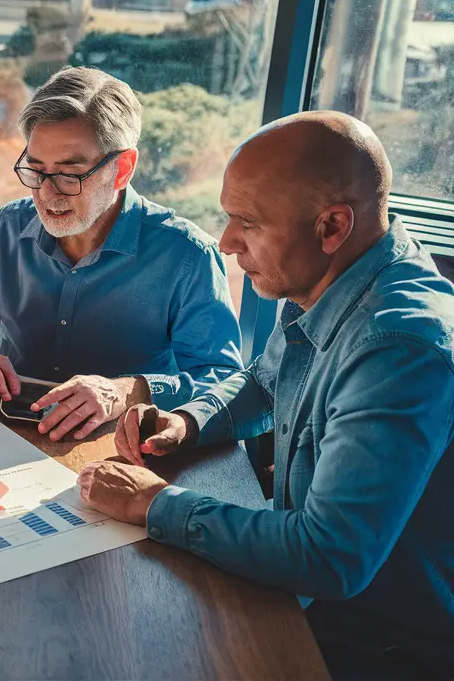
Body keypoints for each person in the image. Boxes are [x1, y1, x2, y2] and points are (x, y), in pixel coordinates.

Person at [81, 111, 454, 677]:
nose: (227, 242)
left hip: (370, 644)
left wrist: (152, 503)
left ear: (331, 226)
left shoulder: (396, 348)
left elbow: (328, 557)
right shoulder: (331, 272)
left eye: (247, 222)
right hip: (308, 600)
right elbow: (264, 380)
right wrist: (188, 421)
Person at [0, 67, 242, 441]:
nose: (47, 194)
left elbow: (223, 381)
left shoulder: (188, 256)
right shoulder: (8, 228)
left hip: (123, 453)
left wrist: (128, 391)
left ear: (122, 168)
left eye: (69, 174)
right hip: (7, 434)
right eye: (36, 169)